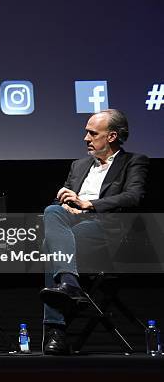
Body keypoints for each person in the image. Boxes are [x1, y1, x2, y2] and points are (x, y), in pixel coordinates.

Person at [38, 109, 148, 355]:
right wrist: (66, 202)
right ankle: (69, 283)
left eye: (92, 133)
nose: (86, 138)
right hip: (73, 224)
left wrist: (90, 205)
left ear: (111, 136)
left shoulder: (134, 161)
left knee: (51, 246)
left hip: (107, 231)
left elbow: (133, 196)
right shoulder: (79, 165)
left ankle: (56, 331)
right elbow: (63, 202)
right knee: (52, 210)